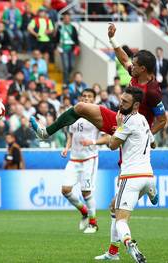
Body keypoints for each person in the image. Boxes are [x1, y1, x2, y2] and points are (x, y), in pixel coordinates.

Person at [30, 23, 166, 139]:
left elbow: (162, 120)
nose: (131, 65)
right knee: (80, 107)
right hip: (120, 120)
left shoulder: (152, 91)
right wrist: (112, 39)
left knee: (125, 164)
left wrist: (147, 137)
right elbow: (124, 60)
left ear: (143, 69)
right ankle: (45, 133)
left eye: (135, 64)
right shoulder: (137, 74)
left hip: (134, 131)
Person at [95, 87, 156, 262]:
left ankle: (129, 244)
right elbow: (153, 144)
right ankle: (113, 252)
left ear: (136, 105)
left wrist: (119, 127)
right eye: (121, 100)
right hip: (148, 176)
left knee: (122, 220)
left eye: (125, 102)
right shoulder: (143, 119)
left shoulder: (127, 122)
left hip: (131, 178)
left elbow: (112, 145)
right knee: (113, 207)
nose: (120, 104)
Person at [60, 89, 108, 234]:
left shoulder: (99, 116)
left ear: (94, 99)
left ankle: (93, 223)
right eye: (84, 96)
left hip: (89, 159)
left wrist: (92, 141)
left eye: (89, 97)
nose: (86, 98)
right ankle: (84, 212)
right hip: (74, 159)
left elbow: (107, 138)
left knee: (86, 191)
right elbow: (71, 135)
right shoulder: (74, 114)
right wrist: (67, 148)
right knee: (65, 190)